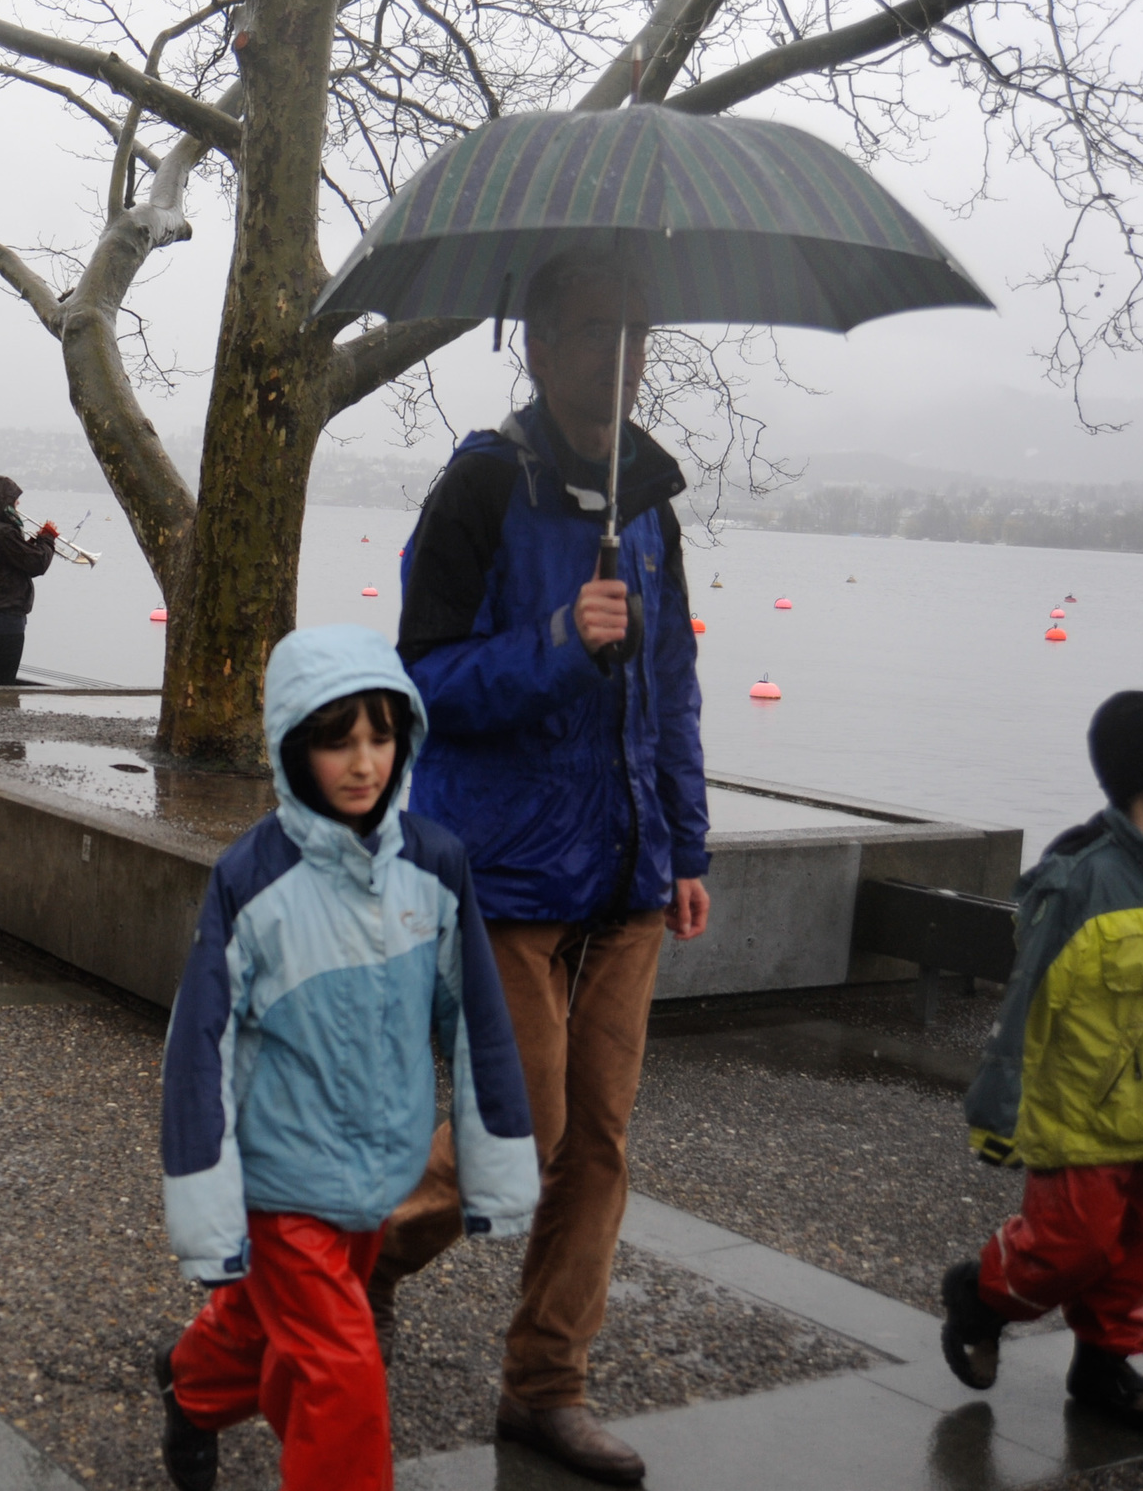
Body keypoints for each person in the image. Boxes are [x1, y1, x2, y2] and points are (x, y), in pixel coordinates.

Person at [375, 246, 709, 1486]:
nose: (618, 357)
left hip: (624, 874)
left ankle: (545, 1386)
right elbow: (419, 683)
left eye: (637, 335)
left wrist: (683, 841)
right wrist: (562, 641)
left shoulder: (649, 505)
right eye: (591, 332)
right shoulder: (479, 489)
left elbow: (672, 689)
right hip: (507, 876)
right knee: (508, 1142)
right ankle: (318, 1283)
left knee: (598, 1149)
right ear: (536, 342)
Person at [155, 624, 537, 1491]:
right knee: (342, 1372)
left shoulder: (435, 866)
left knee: (265, 1328)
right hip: (281, 1181)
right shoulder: (251, 881)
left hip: (378, 1178)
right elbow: (199, 1050)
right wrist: (206, 1202)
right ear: (294, 747)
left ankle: (192, 1382)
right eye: (338, 740)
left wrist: (498, 1164)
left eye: (381, 734)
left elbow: (477, 1020)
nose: (364, 761)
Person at [940, 691, 1143, 1436]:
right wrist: (999, 1110)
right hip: (1082, 1111)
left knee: (1141, 1253)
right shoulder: (1079, 879)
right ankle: (981, 1295)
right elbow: (1025, 1004)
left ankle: (1104, 1369)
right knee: (1068, 1248)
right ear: (1140, 774)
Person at [0, 476, 57, 685]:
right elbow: (37, 564)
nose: (18, 506)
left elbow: (14, 560)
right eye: (14, 501)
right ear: (4, 503)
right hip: (5, 616)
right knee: (3, 682)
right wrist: (48, 539)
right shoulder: (4, 533)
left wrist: (34, 542)